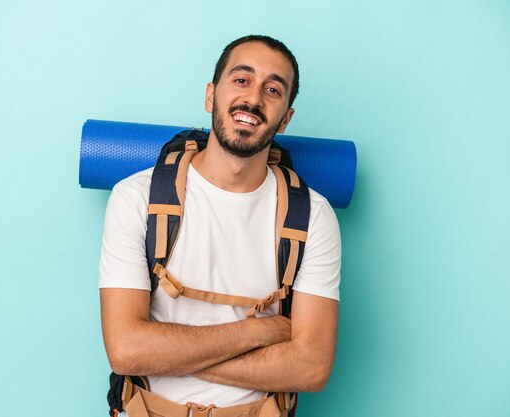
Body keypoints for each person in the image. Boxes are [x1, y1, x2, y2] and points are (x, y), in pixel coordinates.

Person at [99, 35, 341, 417]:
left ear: (286, 119)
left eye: (273, 89)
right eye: (241, 80)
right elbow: (126, 351)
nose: (254, 99)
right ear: (211, 96)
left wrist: (168, 355)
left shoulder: (314, 216)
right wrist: (257, 332)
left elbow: (311, 368)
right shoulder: (135, 198)